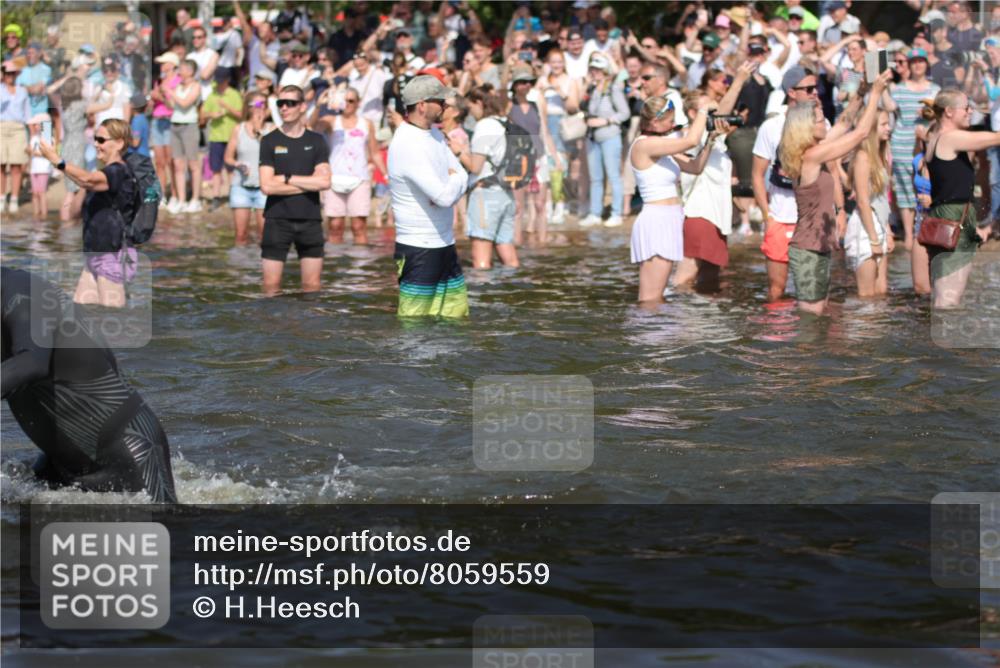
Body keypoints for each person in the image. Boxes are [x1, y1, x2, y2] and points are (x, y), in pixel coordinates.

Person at [2, 267, 177, 503]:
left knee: (173, 535)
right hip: (57, 465)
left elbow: (32, 362)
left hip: (129, 455)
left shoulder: (23, 293)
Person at [780, 71, 891, 315]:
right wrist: (876, 95)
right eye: (819, 121)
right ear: (806, 128)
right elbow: (860, 133)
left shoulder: (814, 150)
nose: (824, 123)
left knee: (820, 315)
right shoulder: (810, 157)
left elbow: (844, 123)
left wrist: (861, 93)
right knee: (811, 318)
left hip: (818, 247)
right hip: (807, 251)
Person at [35, 119, 139, 308]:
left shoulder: (120, 172)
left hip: (114, 255)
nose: (96, 144)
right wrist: (83, 186)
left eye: (101, 140)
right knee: (80, 316)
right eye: (95, 140)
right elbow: (74, 212)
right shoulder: (99, 176)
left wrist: (56, 160)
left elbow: (89, 179)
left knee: (112, 318)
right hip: (93, 256)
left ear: (120, 143)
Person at [389, 75, 469, 317]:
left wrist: (453, 180)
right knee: (415, 328)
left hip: (446, 243)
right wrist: (453, 179)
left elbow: (464, 174)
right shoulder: (407, 143)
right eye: (440, 101)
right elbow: (446, 196)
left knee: (455, 322)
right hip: (419, 248)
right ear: (422, 105)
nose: (446, 106)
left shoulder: (434, 135)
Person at [629, 94, 713, 304]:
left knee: (658, 296)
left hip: (670, 219)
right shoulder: (644, 145)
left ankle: (658, 335)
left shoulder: (663, 146)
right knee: (650, 298)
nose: (673, 125)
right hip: (656, 221)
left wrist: (712, 138)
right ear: (654, 121)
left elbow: (696, 167)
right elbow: (691, 141)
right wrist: (703, 109)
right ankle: (645, 335)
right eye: (670, 121)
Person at [922, 89, 1000, 308]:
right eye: (966, 108)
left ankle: (942, 339)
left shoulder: (935, 136)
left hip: (946, 217)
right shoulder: (950, 138)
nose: (970, 112)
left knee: (944, 294)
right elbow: (995, 138)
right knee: (948, 299)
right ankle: (945, 341)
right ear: (948, 111)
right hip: (953, 218)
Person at [752, 65, 822, 302]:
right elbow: (756, 174)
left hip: (812, 220)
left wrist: (839, 211)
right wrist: (766, 217)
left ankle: (809, 338)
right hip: (780, 217)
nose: (815, 93)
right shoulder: (771, 127)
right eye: (809, 88)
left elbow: (831, 170)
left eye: (816, 88)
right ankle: (778, 336)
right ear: (791, 92)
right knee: (776, 290)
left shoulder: (821, 124)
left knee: (813, 291)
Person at [258, 85, 331, 296]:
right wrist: (308, 183)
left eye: (290, 103)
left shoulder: (316, 141)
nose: (284, 108)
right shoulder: (269, 140)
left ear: (302, 106)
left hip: (310, 219)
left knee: (312, 287)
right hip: (277, 219)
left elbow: (325, 182)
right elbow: (267, 186)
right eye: (280, 103)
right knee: (270, 286)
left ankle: (309, 328)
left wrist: (288, 179)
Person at [454, 84, 517, 269]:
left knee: (481, 261)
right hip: (506, 194)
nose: (470, 113)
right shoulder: (506, 121)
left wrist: (459, 152)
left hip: (485, 194)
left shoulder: (484, 125)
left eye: (471, 106)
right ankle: (513, 291)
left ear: (479, 102)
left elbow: (475, 166)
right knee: (510, 259)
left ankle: (483, 296)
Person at [885, 48, 940, 257]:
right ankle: (909, 234)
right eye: (914, 61)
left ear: (926, 64)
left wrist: (930, 114)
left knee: (926, 186)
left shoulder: (934, 89)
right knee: (904, 189)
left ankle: (926, 229)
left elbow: (941, 115)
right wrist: (881, 86)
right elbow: (889, 106)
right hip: (901, 143)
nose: (918, 65)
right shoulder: (899, 89)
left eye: (921, 61)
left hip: (926, 143)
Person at [313, 86, 384, 245]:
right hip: (334, 178)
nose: (347, 104)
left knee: (358, 226)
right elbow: (312, 127)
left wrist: (386, 175)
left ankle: (360, 267)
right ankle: (335, 264)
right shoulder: (332, 121)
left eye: (351, 101)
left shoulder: (366, 123)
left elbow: (375, 152)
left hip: (360, 178)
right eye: (344, 100)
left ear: (358, 103)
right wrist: (319, 106)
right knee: (335, 226)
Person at [845, 109, 894, 297]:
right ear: (872, 128)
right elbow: (863, 201)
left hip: (879, 223)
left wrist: (888, 231)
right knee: (867, 295)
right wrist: (873, 238)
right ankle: (862, 327)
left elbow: (883, 199)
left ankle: (878, 327)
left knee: (881, 291)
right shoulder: (863, 157)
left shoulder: (882, 155)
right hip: (865, 229)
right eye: (883, 124)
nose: (888, 128)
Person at [580, 53, 630, 228]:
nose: (594, 72)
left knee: (613, 175)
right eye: (592, 68)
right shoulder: (592, 89)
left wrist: (606, 121)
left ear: (605, 70)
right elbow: (581, 105)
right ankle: (595, 212)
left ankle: (616, 212)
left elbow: (625, 113)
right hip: (592, 137)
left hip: (610, 136)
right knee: (595, 177)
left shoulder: (613, 88)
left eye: (598, 69)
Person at [224, 91, 272, 245]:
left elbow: (274, 152)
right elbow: (228, 157)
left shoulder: (272, 129)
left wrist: (259, 131)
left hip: (264, 187)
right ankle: (241, 266)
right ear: (249, 107)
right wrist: (237, 164)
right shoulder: (239, 129)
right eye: (259, 104)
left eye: (265, 104)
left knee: (265, 235)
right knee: (240, 235)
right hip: (241, 185)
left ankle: (263, 266)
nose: (262, 107)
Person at [201, 69, 243, 210]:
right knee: (215, 168)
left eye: (221, 81)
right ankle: (216, 197)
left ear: (227, 80)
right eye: (217, 81)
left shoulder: (234, 94)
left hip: (232, 137)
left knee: (232, 169)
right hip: (216, 137)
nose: (219, 84)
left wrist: (227, 107)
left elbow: (240, 114)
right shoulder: (212, 94)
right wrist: (212, 114)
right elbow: (203, 114)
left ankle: (234, 195)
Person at [165, 59, 203, 214]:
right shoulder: (178, 86)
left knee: (193, 164)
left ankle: (195, 199)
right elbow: (173, 106)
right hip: (175, 125)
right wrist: (167, 95)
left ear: (190, 71)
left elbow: (186, 103)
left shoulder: (196, 86)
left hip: (190, 126)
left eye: (181, 69)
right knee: (178, 164)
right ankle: (181, 200)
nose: (179, 72)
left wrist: (171, 92)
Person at [54, 76, 88, 222]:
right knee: (75, 189)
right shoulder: (81, 104)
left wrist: (64, 79)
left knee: (70, 189)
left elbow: (49, 90)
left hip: (67, 146)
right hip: (77, 146)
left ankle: (68, 223)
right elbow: (101, 106)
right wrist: (111, 99)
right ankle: (68, 223)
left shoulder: (63, 103)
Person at [149, 52, 180, 204]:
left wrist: (160, 96)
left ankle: (174, 194)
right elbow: (153, 105)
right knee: (159, 162)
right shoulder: (159, 81)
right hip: (156, 121)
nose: (161, 65)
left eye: (164, 62)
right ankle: (161, 195)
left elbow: (174, 106)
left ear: (172, 64)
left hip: (170, 121)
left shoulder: (178, 81)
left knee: (171, 161)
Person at [1, 58, 29, 214]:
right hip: (1, 127)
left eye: (12, 73)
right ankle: (1, 197)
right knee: (1, 165)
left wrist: (34, 138)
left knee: (16, 165)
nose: (9, 76)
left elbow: (27, 114)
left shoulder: (22, 90)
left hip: (18, 128)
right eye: (7, 73)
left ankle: (14, 199)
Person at [26, 113, 52, 219]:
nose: (34, 126)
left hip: (43, 169)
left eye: (36, 124)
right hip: (34, 169)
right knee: (35, 193)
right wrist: (29, 151)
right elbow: (29, 149)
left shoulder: (48, 138)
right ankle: (36, 214)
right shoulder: (34, 138)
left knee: (42, 193)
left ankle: (44, 215)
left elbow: (48, 153)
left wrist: (33, 152)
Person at [129, 92, 150, 158]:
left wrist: (123, 139)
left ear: (132, 105)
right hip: (142, 157)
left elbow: (135, 143)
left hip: (138, 158)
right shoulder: (142, 118)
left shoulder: (137, 121)